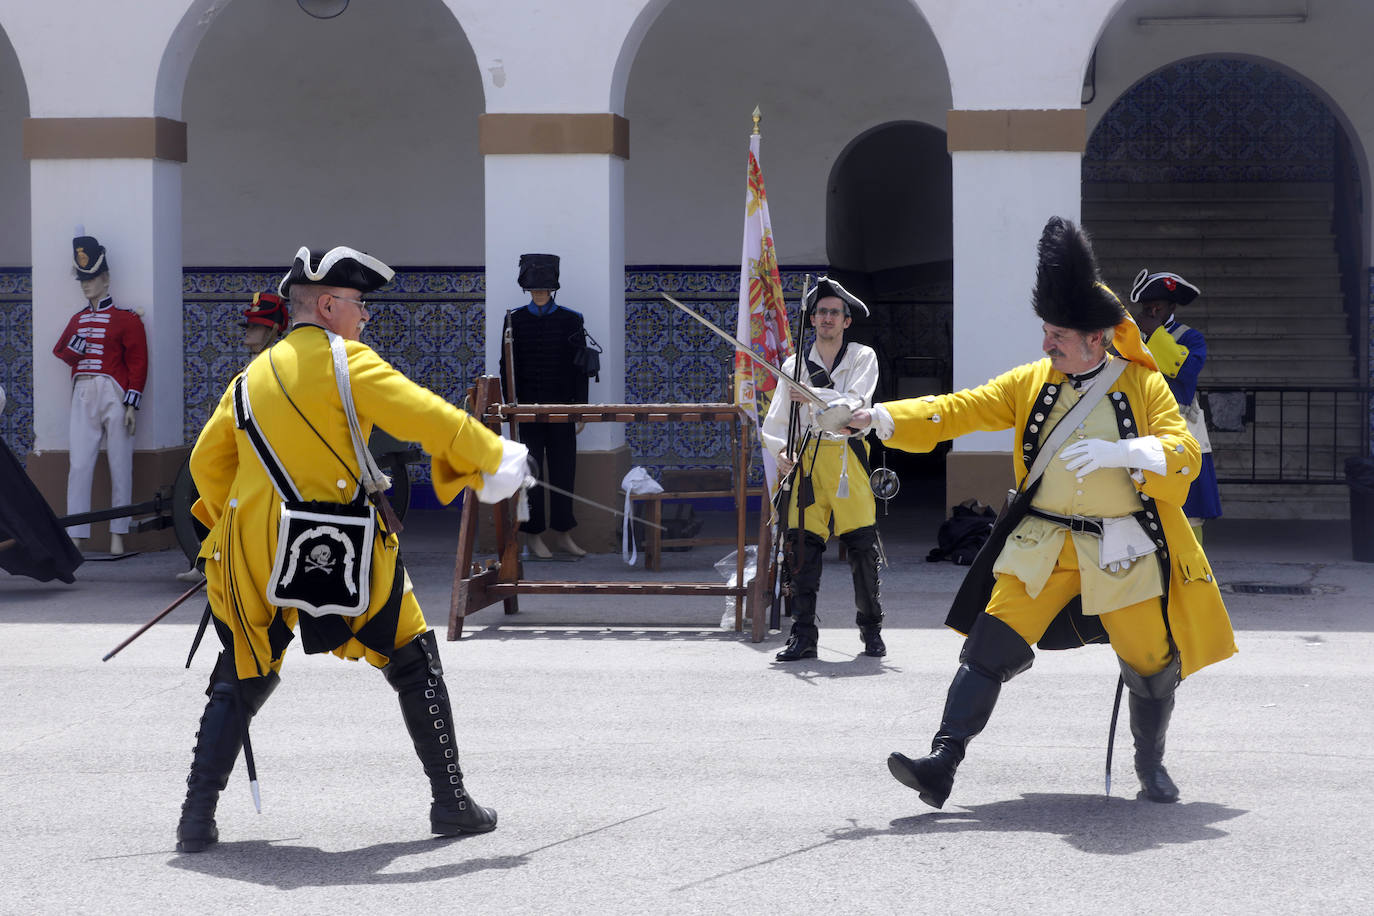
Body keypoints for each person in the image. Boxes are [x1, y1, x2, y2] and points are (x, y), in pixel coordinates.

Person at [850, 217, 1236, 806]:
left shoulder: (1143, 385)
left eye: (1057, 335)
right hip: (1041, 545)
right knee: (987, 645)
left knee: (1152, 660)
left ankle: (1149, 764)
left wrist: (1125, 450)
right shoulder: (1031, 382)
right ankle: (942, 762)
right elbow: (958, 409)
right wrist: (875, 418)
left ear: (1096, 339)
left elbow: (1182, 451)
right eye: (1047, 331)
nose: (1046, 344)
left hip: (1119, 549)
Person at [176, 245, 531, 852]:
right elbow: (429, 417)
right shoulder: (350, 363)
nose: (365, 318)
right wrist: (494, 457)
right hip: (336, 544)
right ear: (329, 304)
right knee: (413, 656)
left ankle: (195, 818)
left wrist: (226, 533)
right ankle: (450, 803)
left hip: (253, 551)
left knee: (243, 668)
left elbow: (207, 465)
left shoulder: (248, 377)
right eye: (360, 305)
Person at [761, 276, 886, 661]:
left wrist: (813, 397)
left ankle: (871, 629)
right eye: (821, 313)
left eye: (835, 313)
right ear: (812, 319)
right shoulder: (792, 365)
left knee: (863, 550)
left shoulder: (863, 357)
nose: (827, 318)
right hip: (807, 461)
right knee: (802, 552)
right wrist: (782, 453)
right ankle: (803, 636)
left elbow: (853, 407)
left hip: (849, 458)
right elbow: (776, 422)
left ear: (847, 321)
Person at [175, 292, 293, 585]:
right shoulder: (255, 363)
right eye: (250, 325)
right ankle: (207, 558)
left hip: (263, 461)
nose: (249, 330)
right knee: (203, 493)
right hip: (243, 452)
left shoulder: (274, 364)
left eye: (256, 325)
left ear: (273, 330)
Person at [51, 232, 148, 555]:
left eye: (91, 278)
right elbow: (60, 350)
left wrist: (132, 402)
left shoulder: (127, 319)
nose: (86, 284)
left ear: (105, 279)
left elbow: (137, 361)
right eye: (83, 279)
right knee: (79, 465)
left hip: (114, 392)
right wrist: (75, 351)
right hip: (83, 392)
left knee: (121, 464)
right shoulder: (77, 320)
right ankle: (77, 535)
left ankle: (118, 535)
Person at [499, 253, 590, 558]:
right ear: (528, 291)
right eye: (534, 290)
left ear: (552, 290)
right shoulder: (514, 319)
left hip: (563, 409)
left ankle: (563, 533)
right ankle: (533, 536)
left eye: (544, 289)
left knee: (564, 470)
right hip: (526, 411)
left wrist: (581, 409)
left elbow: (581, 366)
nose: (539, 294)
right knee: (530, 472)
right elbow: (506, 364)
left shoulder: (571, 319)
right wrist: (510, 406)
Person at [1129, 269, 1221, 540]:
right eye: (1147, 305)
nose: (1152, 309)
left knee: (1188, 510)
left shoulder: (1191, 338)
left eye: (1158, 305)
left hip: (1179, 428)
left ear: (1172, 306)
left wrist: (1155, 333)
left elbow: (1186, 370)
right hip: (1138, 426)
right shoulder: (1130, 339)